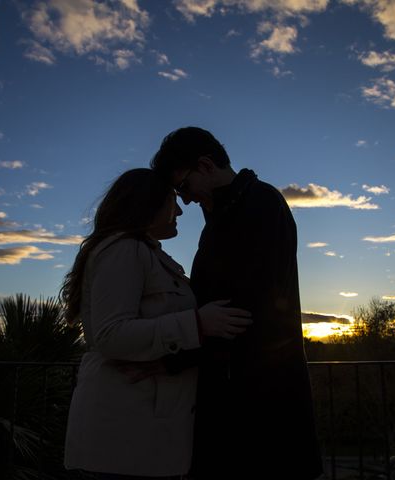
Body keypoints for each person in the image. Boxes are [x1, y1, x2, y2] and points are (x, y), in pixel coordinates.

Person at [150, 127, 323, 479]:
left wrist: (171, 360)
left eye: (183, 186)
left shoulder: (260, 204)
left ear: (205, 165)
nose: (184, 200)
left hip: (261, 399)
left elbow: (245, 306)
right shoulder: (228, 211)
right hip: (239, 391)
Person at [61, 168, 252, 479]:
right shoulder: (125, 249)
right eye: (170, 202)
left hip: (138, 435)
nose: (178, 210)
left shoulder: (144, 253)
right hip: (123, 439)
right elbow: (110, 335)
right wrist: (197, 323)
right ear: (146, 205)